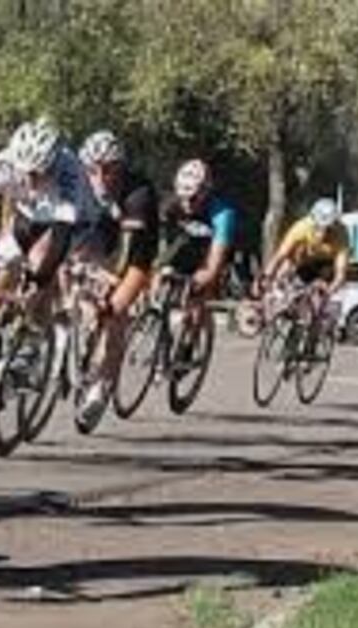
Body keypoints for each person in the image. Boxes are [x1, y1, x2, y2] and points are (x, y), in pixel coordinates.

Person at [0, 117, 100, 322]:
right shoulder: (4, 163)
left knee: (40, 264)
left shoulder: (68, 171)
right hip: (30, 217)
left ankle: (42, 326)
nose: (30, 182)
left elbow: (61, 235)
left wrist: (40, 278)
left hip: (76, 223)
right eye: (25, 173)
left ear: (53, 164)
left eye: (38, 174)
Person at [71, 130, 160, 430]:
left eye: (108, 169)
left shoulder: (139, 195)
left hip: (133, 251)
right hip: (96, 237)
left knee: (113, 314)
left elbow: (129, 256)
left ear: (120, 168)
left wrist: (111, 286)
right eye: (93, 169)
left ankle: (102, 387)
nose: (101, 176)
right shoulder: (78, 183)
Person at [158, 159, 238, 357]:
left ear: (204, 193)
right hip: (184, 247)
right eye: (182, 197)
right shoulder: (169, 205)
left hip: (211, 252)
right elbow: (159, 243)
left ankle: (189, 342)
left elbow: (215, 259)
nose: (187, 204)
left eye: (193, 199)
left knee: (198, 295)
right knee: (158, 281)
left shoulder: (222, 214)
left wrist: (206, 275)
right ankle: (162, 334)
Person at [258, 197, 350, 330]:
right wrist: (267, 276)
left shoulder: (342, 234)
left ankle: (314, 334)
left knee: (317, 303)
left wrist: (330, 290)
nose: (323, 232)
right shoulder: (302, 227)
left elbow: (340, 272)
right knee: (291, 286)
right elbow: (280, 255)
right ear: (313, 221)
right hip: (305, 262)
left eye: (328, 229)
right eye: (320, 227)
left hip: (326, 265)